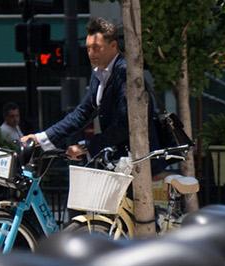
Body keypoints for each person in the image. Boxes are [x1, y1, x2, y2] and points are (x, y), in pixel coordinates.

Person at [22, 17, 155, 161]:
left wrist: (88, 147)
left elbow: (126, 124)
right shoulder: (99, 73)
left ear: (113, 46)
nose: (91, 53)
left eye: (96, 48)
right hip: (119, 160)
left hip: (140, 160)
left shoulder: (124, 73)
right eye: (88, 48)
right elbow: (82, 113)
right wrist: (40, 138)